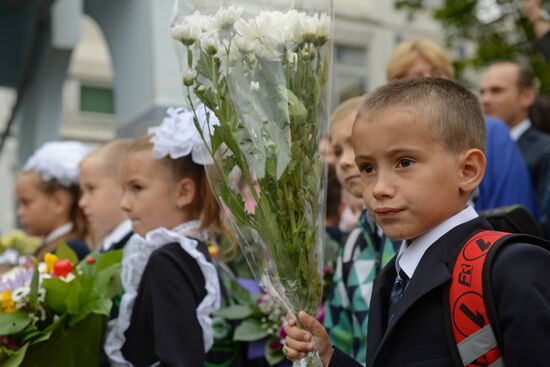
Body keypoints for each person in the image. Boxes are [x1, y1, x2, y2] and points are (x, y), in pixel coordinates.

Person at [283, 78, 550, 367]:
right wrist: (329, 358)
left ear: (468, 170)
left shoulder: (511, 267)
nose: (378, 188)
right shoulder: (390, 277)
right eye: (368, 168)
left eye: (404, 162)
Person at [104, 107, 224, 367]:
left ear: (184, 192)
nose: (124, 203)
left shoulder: (168, 261)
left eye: (137, 188)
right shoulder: (191, 253)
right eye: (123, 190)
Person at [386, 39, 538, 216]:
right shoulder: (382, 142)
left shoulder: (490, 132)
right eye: (417, 76)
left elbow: (513, 213)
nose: (429, 80)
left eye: (438, 73)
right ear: (394, 89)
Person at [323, 96, 399, 365]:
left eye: (353, 146)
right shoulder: (354, 242)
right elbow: (339, 335)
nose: (344, 161)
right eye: (336, 150)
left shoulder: (410, 235)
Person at [480, 61, 550, 234]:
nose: (485, 99)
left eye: (497, 91)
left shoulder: (545, 149)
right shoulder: (477, 147)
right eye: (482, 92)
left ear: (527, 95)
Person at [15, 141, 90, 261]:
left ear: (59, 202)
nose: (19, 213)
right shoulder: (51, 244)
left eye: (26, 203)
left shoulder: (72, 250)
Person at [79, 139, 134, 252]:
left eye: (91, 188)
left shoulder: (135, 247)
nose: (82, 202)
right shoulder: (108, 244)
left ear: (123, 186)